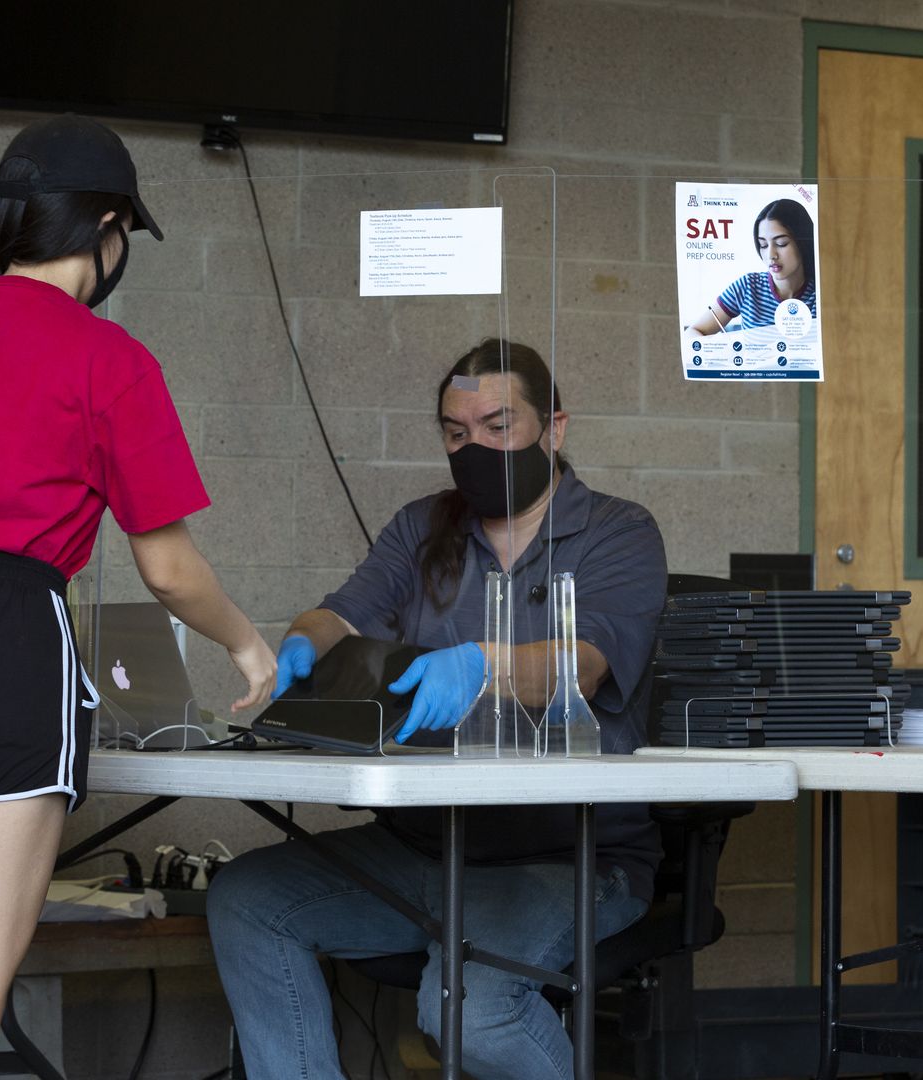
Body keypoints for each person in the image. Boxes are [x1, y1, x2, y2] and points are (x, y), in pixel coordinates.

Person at [0, 114, 274, 1080]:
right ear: (107, 230)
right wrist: (246, 644)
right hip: (5, 635)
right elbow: (168, 568)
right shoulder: (108, 358)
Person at [206, 339, 668, 1080]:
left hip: (567, 855)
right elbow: (344, 615)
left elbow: (586, 663)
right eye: (456, 433)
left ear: (556, 427)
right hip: (425, 846)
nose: (474, 446)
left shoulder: (620, 532)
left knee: (469, 1011)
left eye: (497, 425)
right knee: (247, 901)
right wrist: (301, 641)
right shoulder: (423, 527)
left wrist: (486, 667)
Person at [686, 197, 818, 335]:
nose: (771, 255)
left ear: (803, 242)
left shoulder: (821, 294)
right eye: (763, 245)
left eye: (781, 243)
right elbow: (693, 332)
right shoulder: (748, 286)